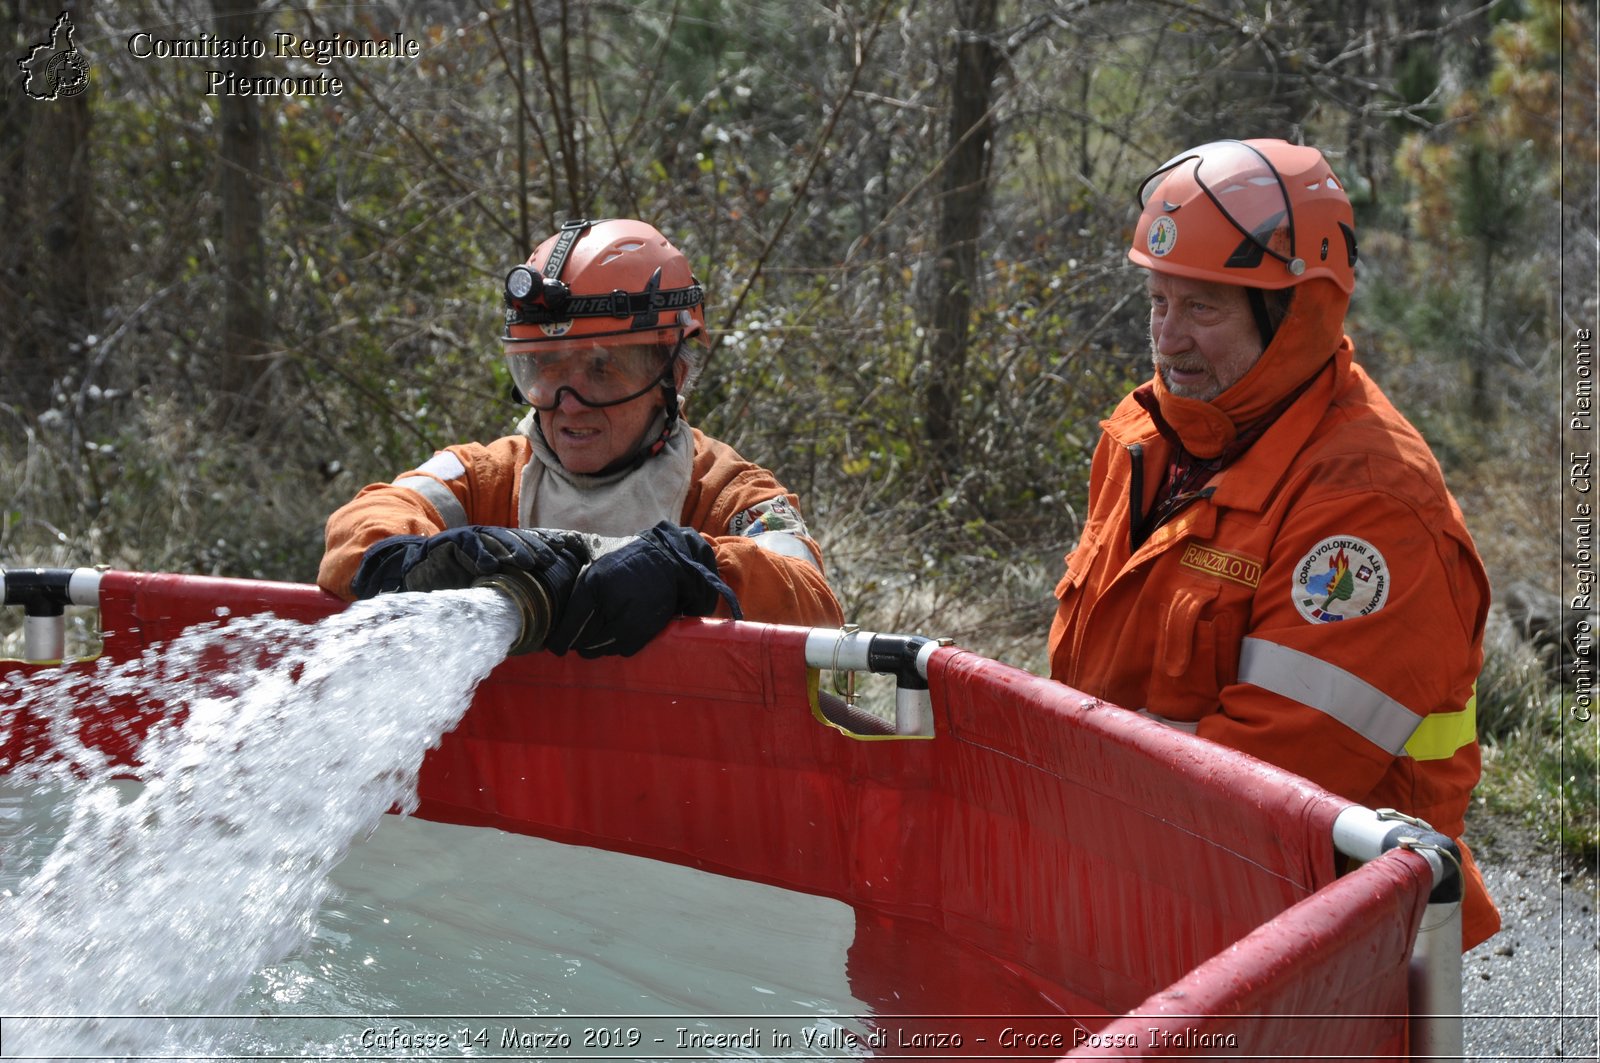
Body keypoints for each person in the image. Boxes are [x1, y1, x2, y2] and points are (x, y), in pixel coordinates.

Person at [1047, 139, 1500, 950]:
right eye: (1159, 302)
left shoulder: (1372, 507)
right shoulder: (1140, 439)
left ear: (1298, 314)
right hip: (1131, 884)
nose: (1168, 339)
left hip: (1315, 940)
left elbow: (1265, 791)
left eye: (1204, 309)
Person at [319, 218, 843, 655]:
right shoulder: (490, 477)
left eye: (601, 368)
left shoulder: (725, 490)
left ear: (672, 376)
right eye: (544, 370)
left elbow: (811, 600)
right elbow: (364, 522)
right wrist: (413, 562)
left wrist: (694, 572)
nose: (568, 402)